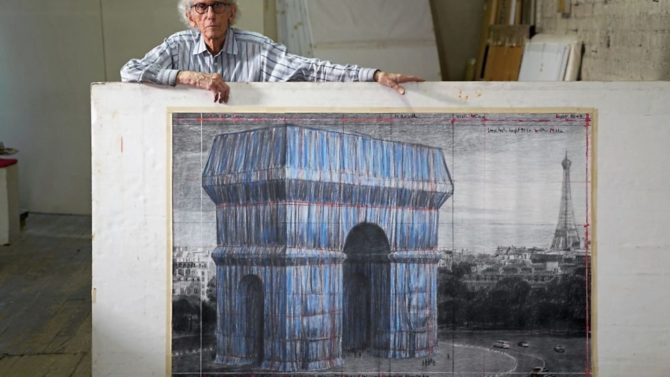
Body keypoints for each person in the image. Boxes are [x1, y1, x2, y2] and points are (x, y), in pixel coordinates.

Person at [121, 0, 424, 103]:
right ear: (190, 16)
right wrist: (189, 77)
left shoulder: (257, 49)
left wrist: (373, 75)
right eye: (201, 6)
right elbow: (129, 71)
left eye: (219, 5)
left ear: (232, 13)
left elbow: (310, 69)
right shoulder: (177, 46)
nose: (211, 13)